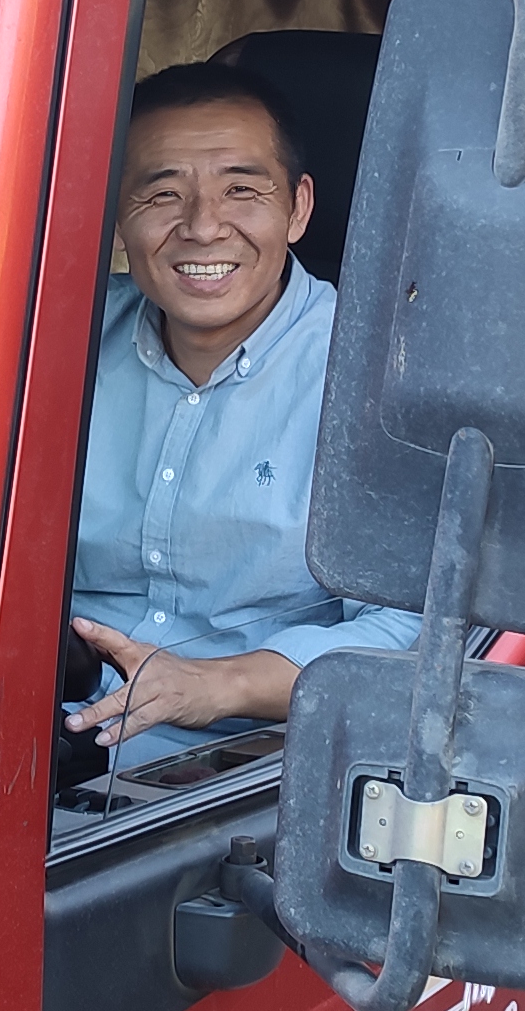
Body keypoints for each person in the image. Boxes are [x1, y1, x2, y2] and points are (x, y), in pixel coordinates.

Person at [67, 60, 417, 766]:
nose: (202, 227)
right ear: (118, 213)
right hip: (31, 734)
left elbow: (411, 633)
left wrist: (216, 685)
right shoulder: (54, 335)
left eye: (241, 190)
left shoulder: (385, 378)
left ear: (298, 208)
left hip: (244, 776)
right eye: (163, 193)